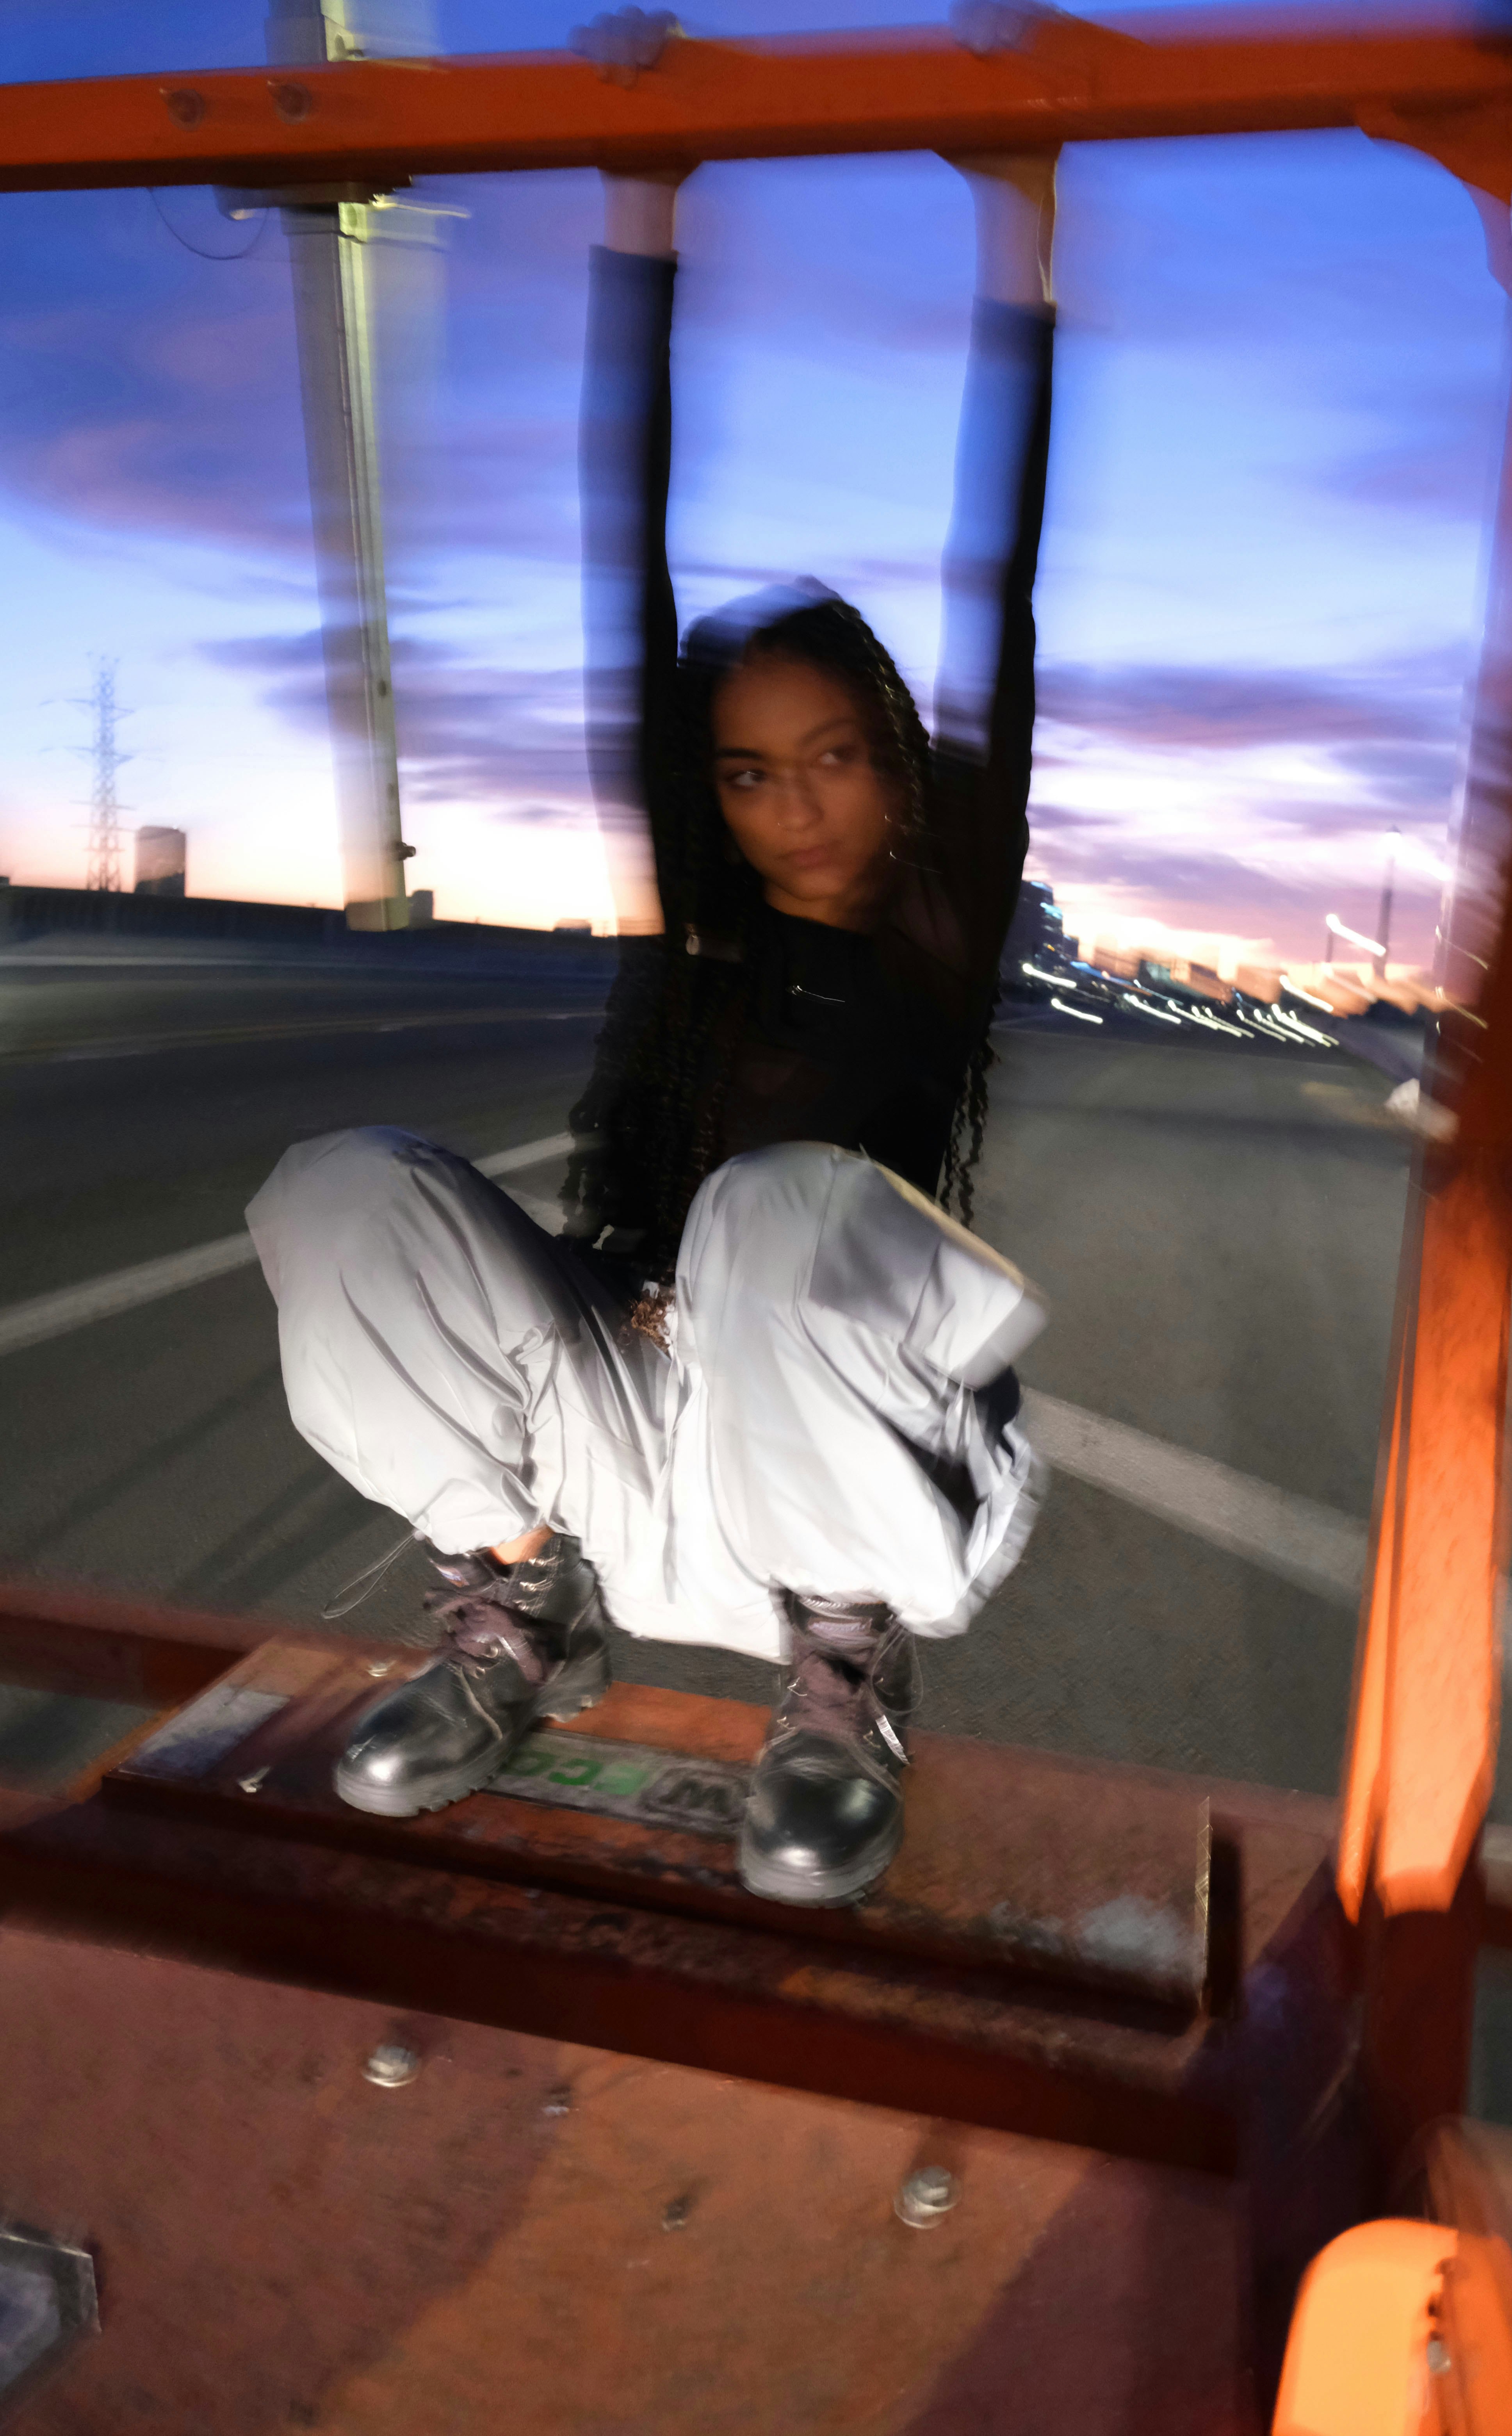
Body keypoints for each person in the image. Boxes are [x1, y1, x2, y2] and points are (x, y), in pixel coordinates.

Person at [246, 153, 1057, 1907]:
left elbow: (995, 580)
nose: (796, 808)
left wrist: (1026, 240)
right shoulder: (698, 936)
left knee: (773, 1197)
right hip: (620, 1438)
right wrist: (642, 212)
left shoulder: (938, 926)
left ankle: (841, 1690)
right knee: (336, 1188)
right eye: (750, 775)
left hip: (846, 1459)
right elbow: (630, 573)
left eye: (835, 756)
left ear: (902, 765)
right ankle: (521, 1608)